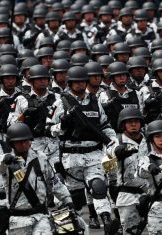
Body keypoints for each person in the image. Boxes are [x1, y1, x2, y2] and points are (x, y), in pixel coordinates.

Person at [47, 66, 118, 235]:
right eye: (76, 82)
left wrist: (112, 142)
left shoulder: (94, 101)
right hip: (71, 156)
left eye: (82, 82)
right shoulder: (60, 102)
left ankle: (107, 222)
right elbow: (48, 129)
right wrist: (63, 125)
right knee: (75, 198)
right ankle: (67, 229)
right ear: (69, 83)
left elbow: (105, 126)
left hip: (94, 153)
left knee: (99, 187)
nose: (80, 85)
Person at [0, 123, 77, 234]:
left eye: (26, 141)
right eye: (19, 142)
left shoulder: (41, 157)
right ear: (12, 143)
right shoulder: (6, 161)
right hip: (18, 220)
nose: (23, 144)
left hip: (40, 216)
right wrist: (5, 158)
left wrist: (67, 200)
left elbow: (54, 182)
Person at [105, 108, 147, 234]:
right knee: (131, 232)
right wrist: (117, 154)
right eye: (129, 122)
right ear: (123, 124)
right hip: (129, 195)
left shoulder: (150, 141)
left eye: (136, 121)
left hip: (151, 193)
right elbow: (106, 166)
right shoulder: (116, 142)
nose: (133, 124)